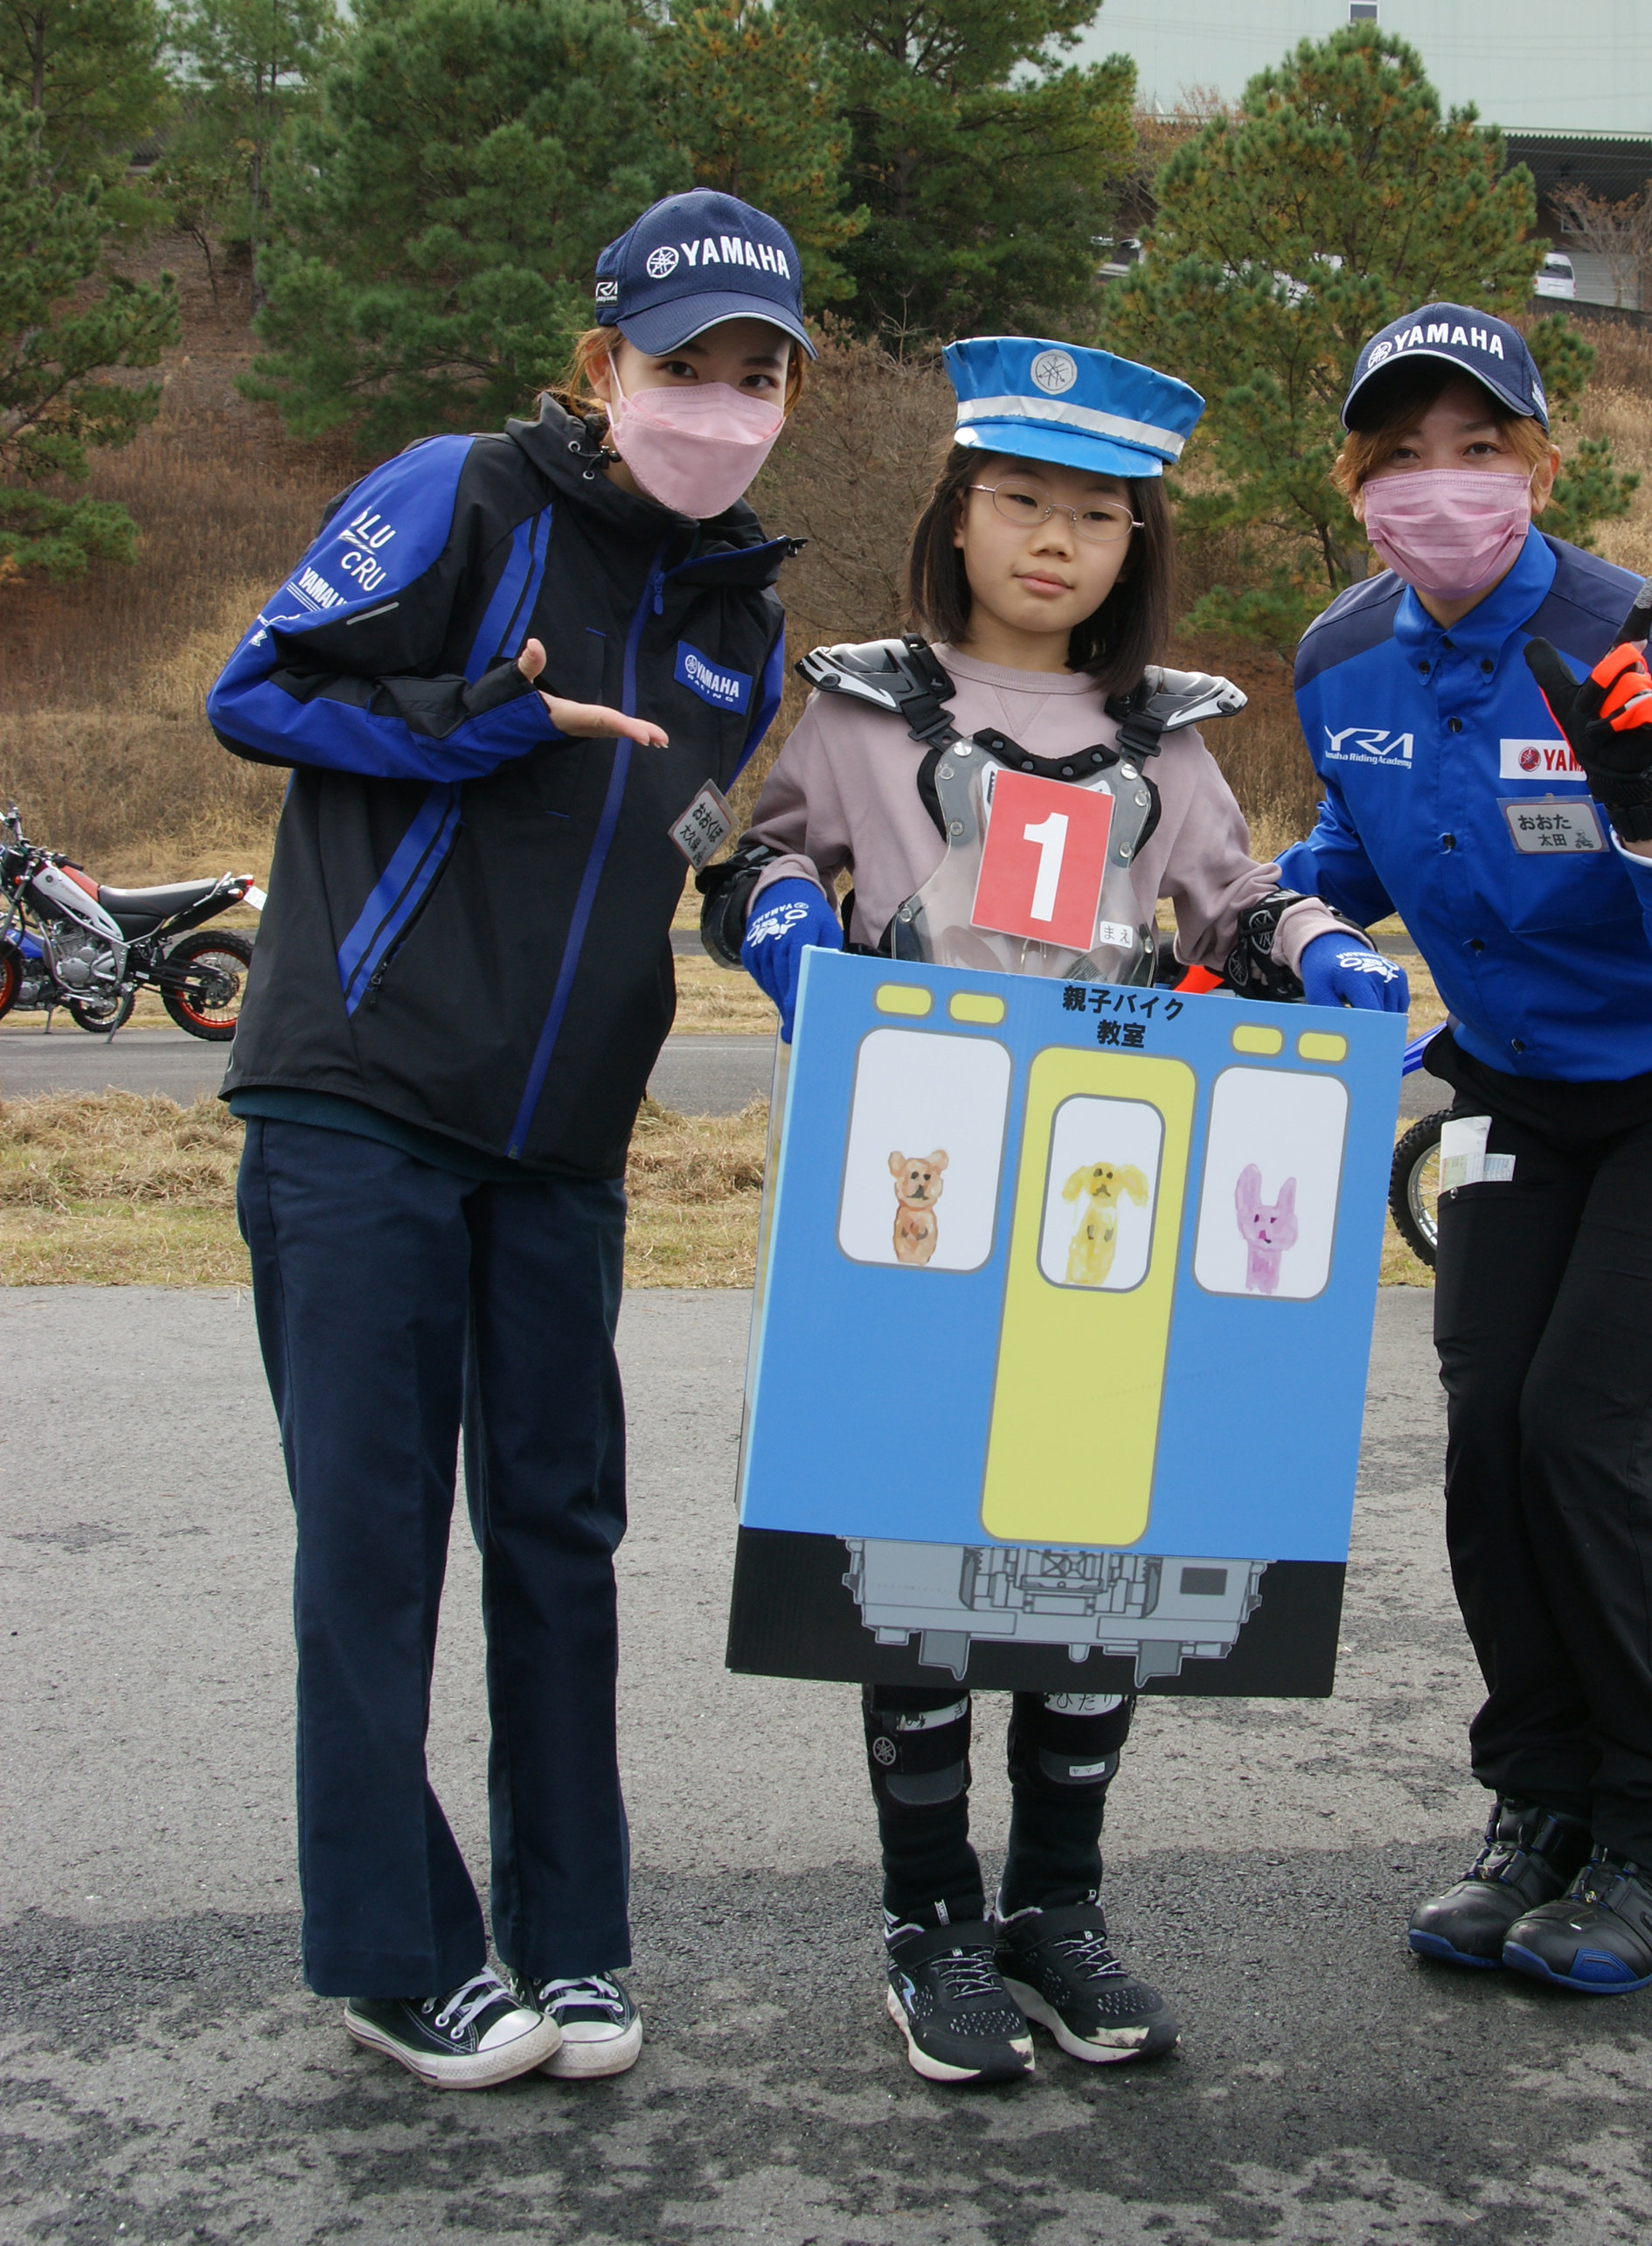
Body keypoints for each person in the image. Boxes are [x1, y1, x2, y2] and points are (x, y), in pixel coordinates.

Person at [698, 334, 1408, 2084]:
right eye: (1019, 500)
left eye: (1096, 515)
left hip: (1105, 1199)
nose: (1052, 541)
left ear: (1130, 545)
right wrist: (777, 916)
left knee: (1094, 1558)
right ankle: (928, 1921)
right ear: (955, 513)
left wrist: (1319, 952)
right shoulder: (863, 706)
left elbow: (1231, 899)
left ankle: (1061, 1909)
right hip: (914, 1190)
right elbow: (760, 850)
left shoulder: (1161, 736)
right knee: (922, 1564)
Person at [205, 189, 812, 2090]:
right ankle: (400, 1951)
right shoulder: (466, 493)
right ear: (599, 364)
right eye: (677, 367)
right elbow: (259, 688)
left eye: (751, 373)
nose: (714, 403)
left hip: (561, 1147)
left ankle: (576, 1942)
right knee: (375, 1545)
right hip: (358, 1101)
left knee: (560, 1539)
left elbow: (703, 858)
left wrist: (810, 934)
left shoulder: (745, 618)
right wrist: (461, 723)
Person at [1280, 302, 1652, 1994]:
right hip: (1520, 1089)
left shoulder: (1636, 640)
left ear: (1539, 462)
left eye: (1479, 449)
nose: (1440, 486)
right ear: (1358, 481)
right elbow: (1352, 847)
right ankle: (1543, 1810)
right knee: (1489, 1435)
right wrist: (1291, 920)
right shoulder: (1339, 655)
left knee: (1588, 1434)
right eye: (1401, 456)